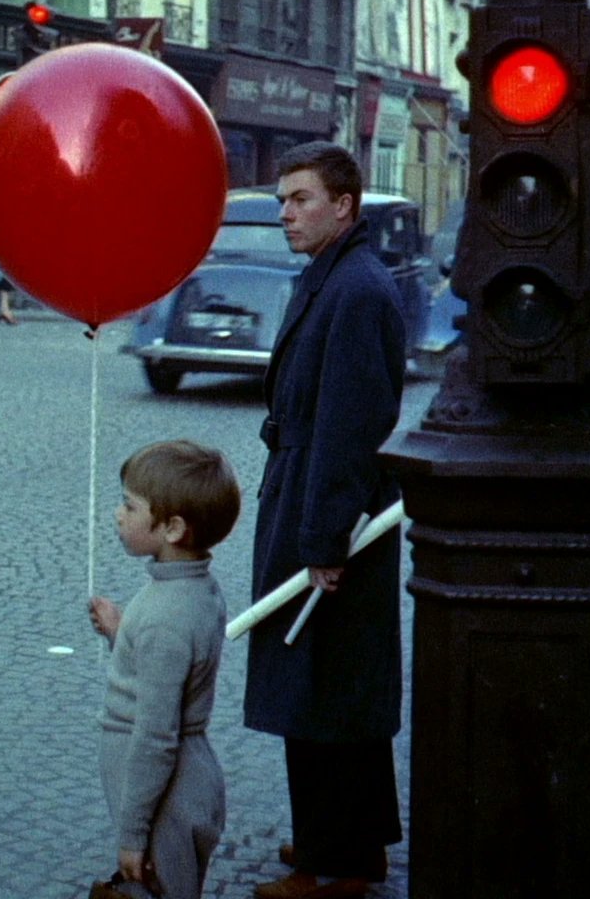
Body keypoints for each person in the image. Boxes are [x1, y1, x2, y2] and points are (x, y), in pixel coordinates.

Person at [245, 142, 406, 899]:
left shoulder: (358, 290)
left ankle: (332, 864)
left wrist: (323, 541)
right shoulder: (337, 277)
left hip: (330, 512)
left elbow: (349, 425)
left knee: (323, 686)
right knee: (325, 682)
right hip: (312, 497)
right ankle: (348, 841)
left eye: (300, 199)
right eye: (281, 200)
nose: (285, 214)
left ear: (344, 205)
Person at [87, 440, 240, 899]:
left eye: (129, 505)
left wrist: (132, 836)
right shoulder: (194, 591)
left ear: (172, 528)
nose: (118, 515)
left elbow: (156, 736)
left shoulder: (163, 619)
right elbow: (169, 671)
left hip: (167, 795)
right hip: (182, 779)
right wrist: (121, 635)